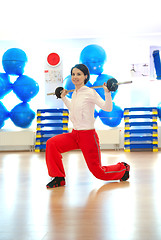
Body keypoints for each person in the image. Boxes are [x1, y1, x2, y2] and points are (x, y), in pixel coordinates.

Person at [46, 64, 130, 188]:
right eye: (73, 74)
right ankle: (59, 178)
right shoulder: (74, 93)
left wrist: (107, 93)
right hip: (75, 135)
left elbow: (107, 108)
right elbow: (73, 109)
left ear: (85, 76)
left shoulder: (90, 92)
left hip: (88, 137)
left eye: (79, 74)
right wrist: (63, 98)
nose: (75, 77)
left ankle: (123, 169)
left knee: (98, 173)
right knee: (51, 143)